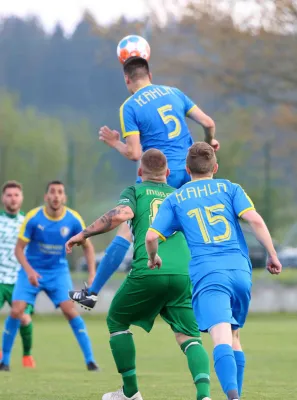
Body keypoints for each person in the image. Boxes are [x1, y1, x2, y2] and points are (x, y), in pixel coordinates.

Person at [67, 149, 211, 400]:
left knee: (117, 320)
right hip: (182, 274)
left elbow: (120, 215)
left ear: (140, 173)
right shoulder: (180, 195)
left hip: (149, 269)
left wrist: (84, 234)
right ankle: (204, 395)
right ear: (167, 173)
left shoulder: (135, 191)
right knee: (189, 336)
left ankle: (131, 392)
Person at [146, 142, 282, 400]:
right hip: (240, 271)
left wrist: (153, 258)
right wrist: (272, 254)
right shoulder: (231, 188)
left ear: (187, 170)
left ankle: (232, 397)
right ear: (215, 168)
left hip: (209, 273)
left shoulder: (176, 198)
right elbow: (254, 219)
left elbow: (151, 237)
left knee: (221, 337)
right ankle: (236, 396)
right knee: (234, 334)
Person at [80, 56, 218, 300]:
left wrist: (115, 143)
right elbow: (208, 122)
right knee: (194, 228)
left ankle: (92, 292)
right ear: (150, 76)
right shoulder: (174, 93)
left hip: (160, 176)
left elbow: (134, 153)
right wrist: (207, 144)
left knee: (127, 229)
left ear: (127, 79)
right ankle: (211, 288)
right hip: (190, 171)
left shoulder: (130, 106)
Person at [0, 180, 98, 371]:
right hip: (31, 271)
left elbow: (88, 246)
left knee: (70, 311)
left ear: (64, 197)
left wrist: (93, 274)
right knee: (16, 311)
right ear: (46, 197)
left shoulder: (73, 219)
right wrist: (29, 271)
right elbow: (19, 250)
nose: (56, 196)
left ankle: (91, 361)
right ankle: (5, 362)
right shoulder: (33, 218)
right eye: (52, 192)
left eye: (60, 192)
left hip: (57, 272)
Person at [0, 181, 35, 368]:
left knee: (24, 319)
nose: (12, 199)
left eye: (16, 195)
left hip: (20, 280)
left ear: (21, 198)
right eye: (9, 195)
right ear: (3, 198)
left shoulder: (28, 222)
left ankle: (27, 355)